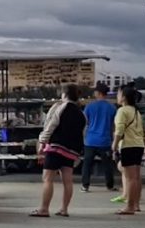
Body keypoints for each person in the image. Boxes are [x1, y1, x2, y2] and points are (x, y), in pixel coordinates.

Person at [30, 85, 86, 217]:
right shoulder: (82, 114)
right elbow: (83, 134)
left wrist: (42, 143)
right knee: (68, 181)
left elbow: (50, 126)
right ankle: (64, 209)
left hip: (56, 147)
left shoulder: (60, 107)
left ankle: (44, 209)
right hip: (72, 152)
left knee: (48, 179)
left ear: (64, 94)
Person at [111, 86, 145, 215]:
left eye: (118, 94)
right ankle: (136, 204)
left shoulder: (122, 110)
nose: (117, 96)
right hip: (139, 145)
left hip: (128, 145)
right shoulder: (136, 111)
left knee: (130, 178)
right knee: (136, 177)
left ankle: (129, 206)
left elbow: (119, 130)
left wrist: (114, 144)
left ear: (124, 97)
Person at [80, 83, 117, 193]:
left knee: (87, 164)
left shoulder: (89, 106)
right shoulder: (112, 108)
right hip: (105, 141)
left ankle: (85, 186)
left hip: (90, 140)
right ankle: (110, 186)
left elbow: (84, 123)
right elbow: (113, 126)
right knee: (108, 165)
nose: (94, 93)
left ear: (99, 93)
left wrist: (84, 137)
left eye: (95, 91)